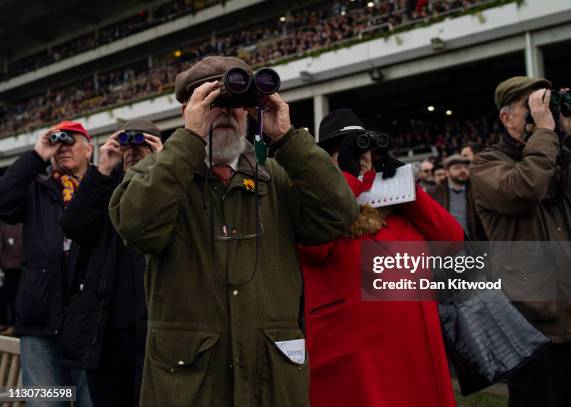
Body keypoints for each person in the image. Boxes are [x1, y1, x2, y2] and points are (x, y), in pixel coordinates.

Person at [108, 56, 358, 407]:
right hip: (191, 387)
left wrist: (288, 138)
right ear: (188, 111)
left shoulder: (276, 175)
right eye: (212, 104)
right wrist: (189, 140)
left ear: (249, 112)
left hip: (270, 381)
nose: (225, 112)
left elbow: (340, 214)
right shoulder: (155, 173)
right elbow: (136, 226)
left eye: (236, 104)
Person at [301, 108, 463, 407]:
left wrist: (405, 184)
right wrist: (347, 179)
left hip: (413, 349)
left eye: (362, 150)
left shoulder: (396, 201)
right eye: (343, 151)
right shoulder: (313, 197)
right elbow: (312, 247)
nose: (360, 159)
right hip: (353, 354)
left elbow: (451, 238)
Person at [470, 76, 571, 407]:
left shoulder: (569, 162)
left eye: (545, 103)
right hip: (537, 328)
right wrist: (547, 134)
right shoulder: (488, 164)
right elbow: (525, 188)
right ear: (506, 118)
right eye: (531, 106)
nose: (541, 112)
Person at [60, 119, 163, 407]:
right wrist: (103, 169)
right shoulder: (105, 187)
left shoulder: (170, 181)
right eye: (127, 144)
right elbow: (73, 225)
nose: (133, 150)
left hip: (155, 323)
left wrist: (163, 166)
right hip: (106, 328)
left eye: (142, 144)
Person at [0, 121, 93, 406]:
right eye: (57, 142)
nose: (62, 147)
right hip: (40, 324)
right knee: (45, 402)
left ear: (89, 149)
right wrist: (36, 154)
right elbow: (3, 201)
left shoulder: (101, 188)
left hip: (89, 325)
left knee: (91, 401)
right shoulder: (37, 189)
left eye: (71, 141)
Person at [428, 154, 487, 240]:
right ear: (447, 172)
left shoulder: (477, 190)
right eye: (457, 167)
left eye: (466, 167)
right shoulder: (434, 193)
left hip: (473, 245)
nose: (463, 170)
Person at [0, 222, 22, 336]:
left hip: (20, 267)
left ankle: (15, 324)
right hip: (10, 268)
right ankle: (11, 324)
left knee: (15, 298)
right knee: (10, 297)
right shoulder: (5, 224)